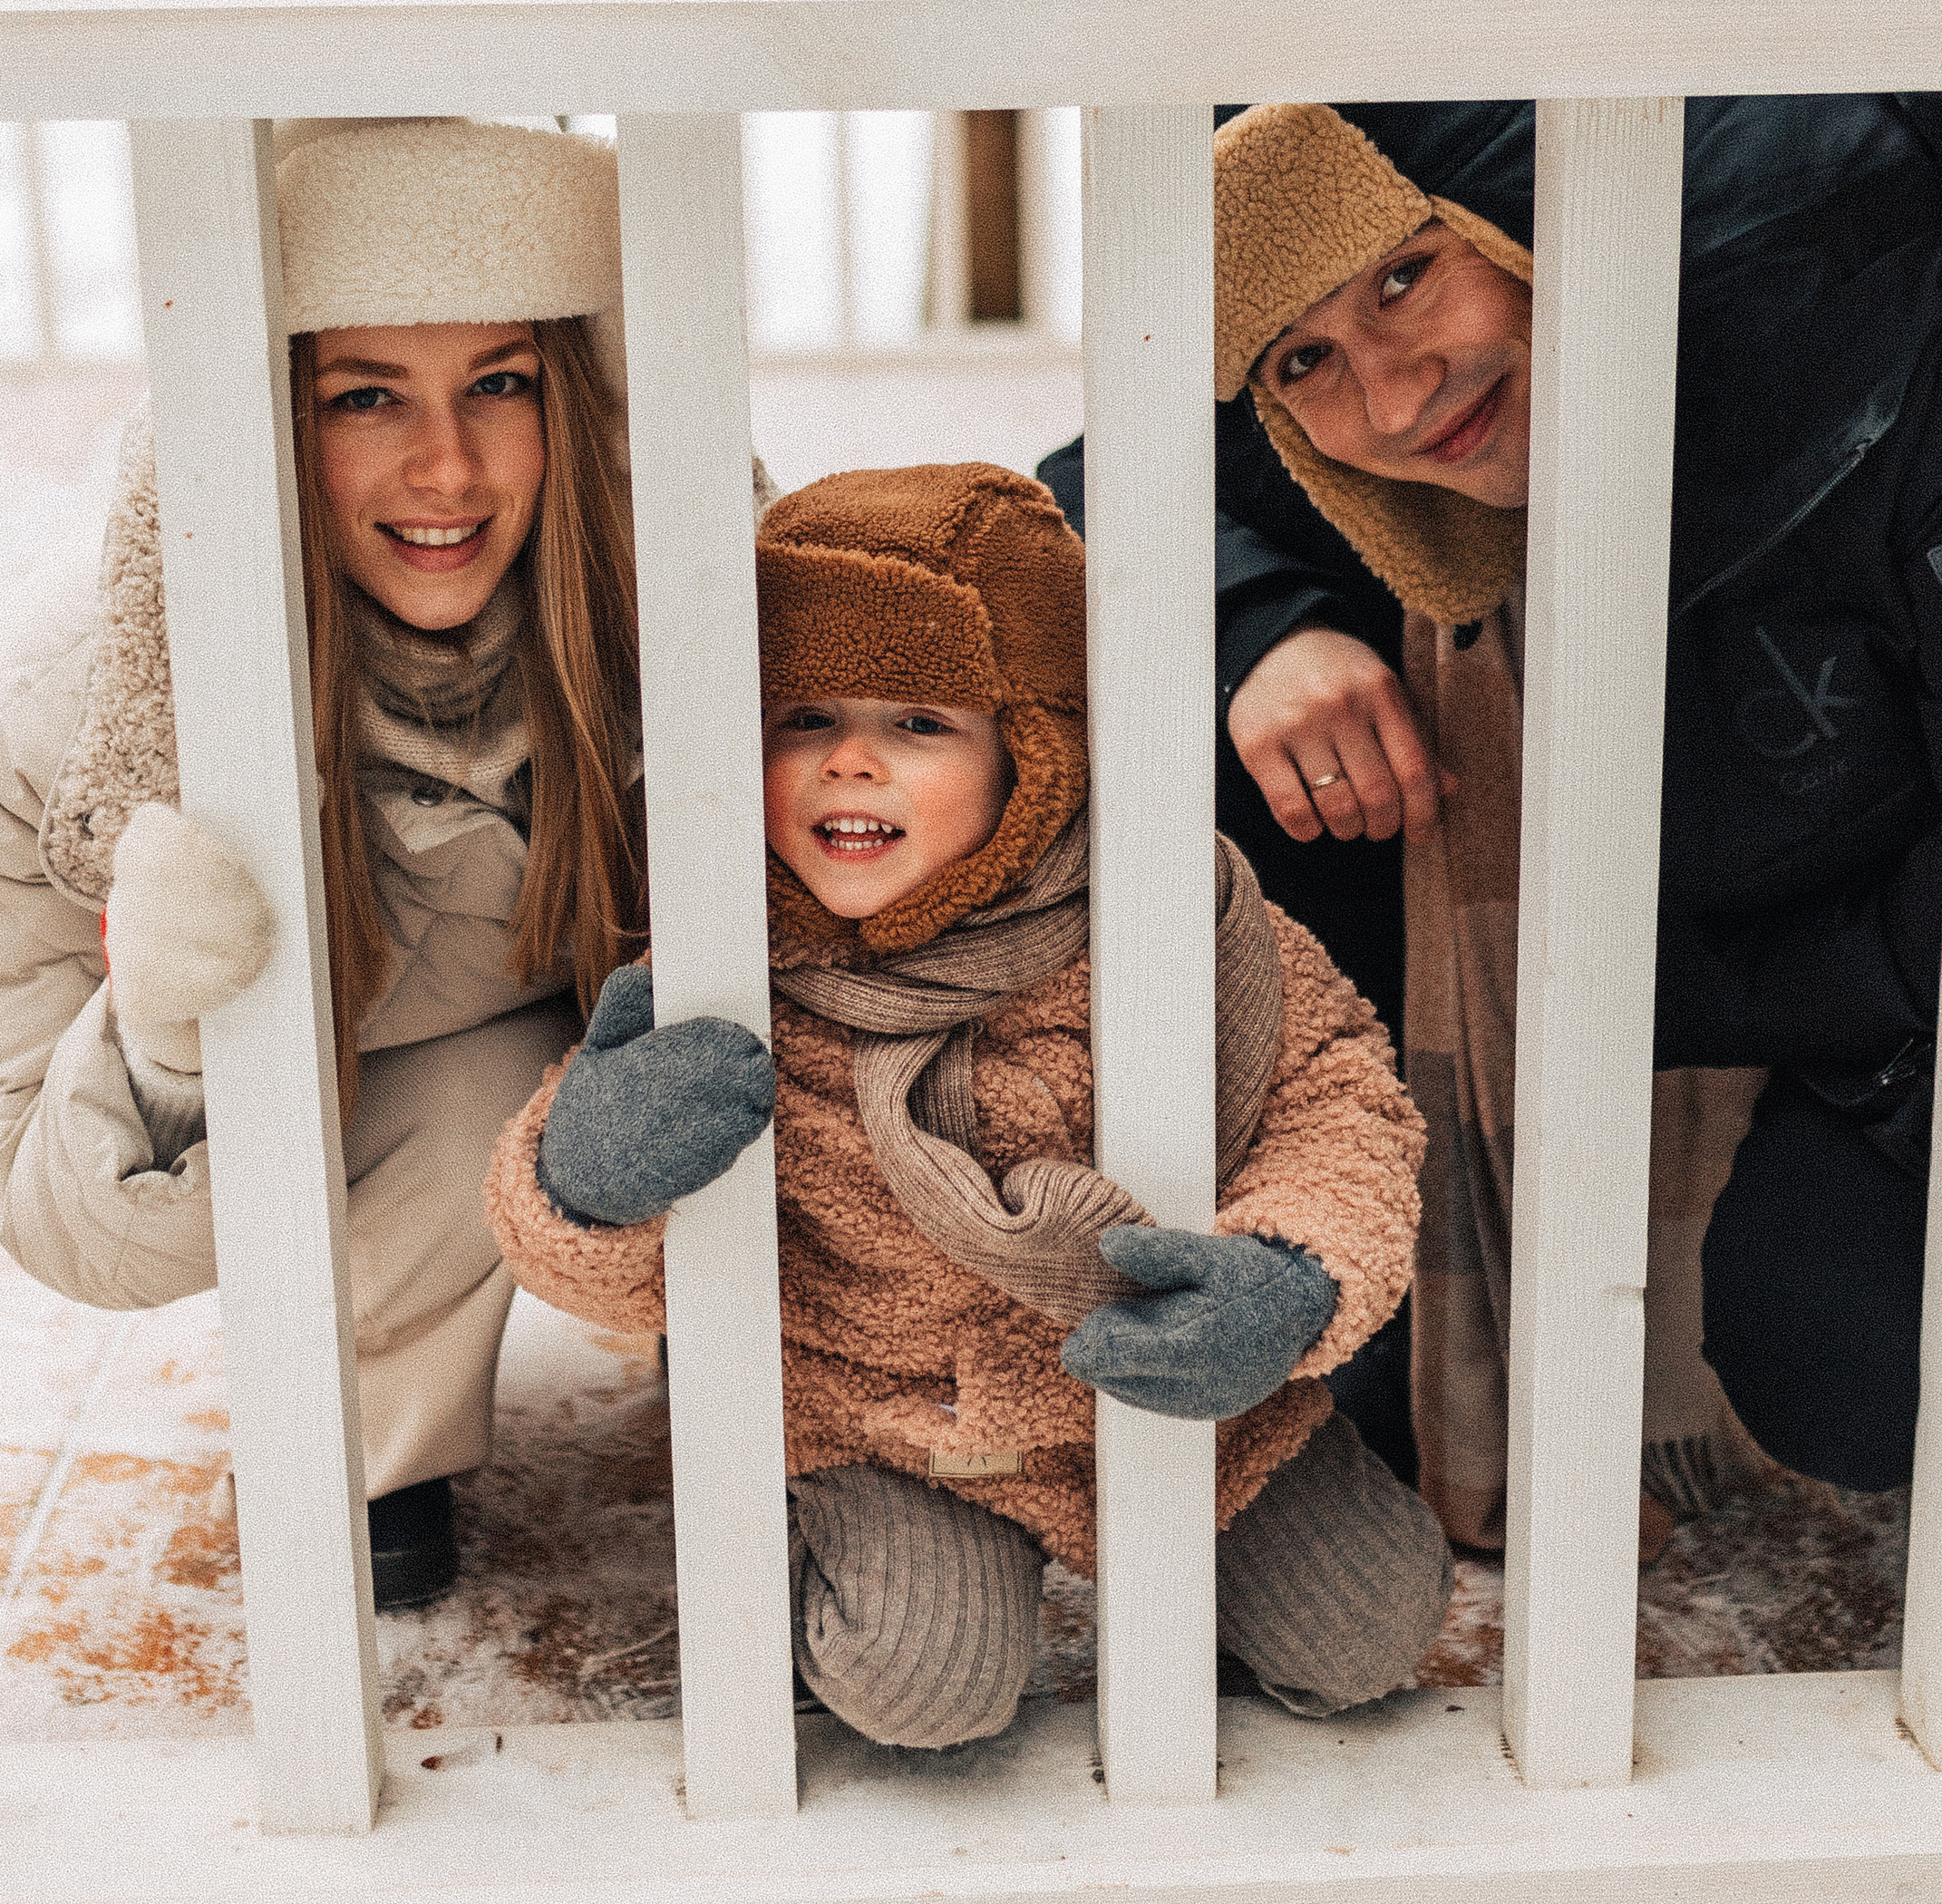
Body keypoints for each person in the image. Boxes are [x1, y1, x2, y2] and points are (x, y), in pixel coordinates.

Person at [1181, 0, 1942, 1549]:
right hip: (1894, 1003)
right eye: (1308, 356)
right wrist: (1260, 623)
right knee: (1836, 1345)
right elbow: (1099, 477)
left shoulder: (1866, 352)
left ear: (1526, 209)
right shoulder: (1417, 420)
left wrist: (1675, 981)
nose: (1395, 392)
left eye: (1410, 275)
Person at [485, 461, 1452, 1744]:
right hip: (890, 1425)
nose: (853, 763)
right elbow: (598, 1250)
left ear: (1032, 754)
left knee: (1372, 1632)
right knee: (925, 1690)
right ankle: (796, 1552)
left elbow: (1339, 1101)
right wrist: (584, 1177)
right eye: (804, 717)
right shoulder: (734, 956)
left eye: (922, 724)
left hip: (1181, 1395)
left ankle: (1219, 1566)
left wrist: (1289, 1277)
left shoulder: (1166, 922)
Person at [0, 117, 644, 1610]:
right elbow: (61, 1225)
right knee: (464, 1097)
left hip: (632, 1074)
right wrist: (171, 1039)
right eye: (365, 395)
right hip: (375, 1120)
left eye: (498, 384)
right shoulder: (72, 736)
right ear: (262, 421)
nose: (444, 466)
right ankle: (368, 1432)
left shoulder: (697, 626)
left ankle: (785, 1376)